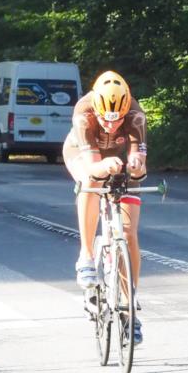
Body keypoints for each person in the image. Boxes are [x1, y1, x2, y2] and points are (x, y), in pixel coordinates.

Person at [63, 71, 147, 344]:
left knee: (128, 231)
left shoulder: (135, 114)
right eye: (105, 120)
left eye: (117, 120)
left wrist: (135, 165)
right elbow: (92, 164)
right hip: (82, 153)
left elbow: (139, 163)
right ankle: (86, 256)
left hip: (120, 159)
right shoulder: (83, 112)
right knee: (91, 180)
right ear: (96, 109)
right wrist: (103, 166)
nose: (111, 126)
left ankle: (129, 305)